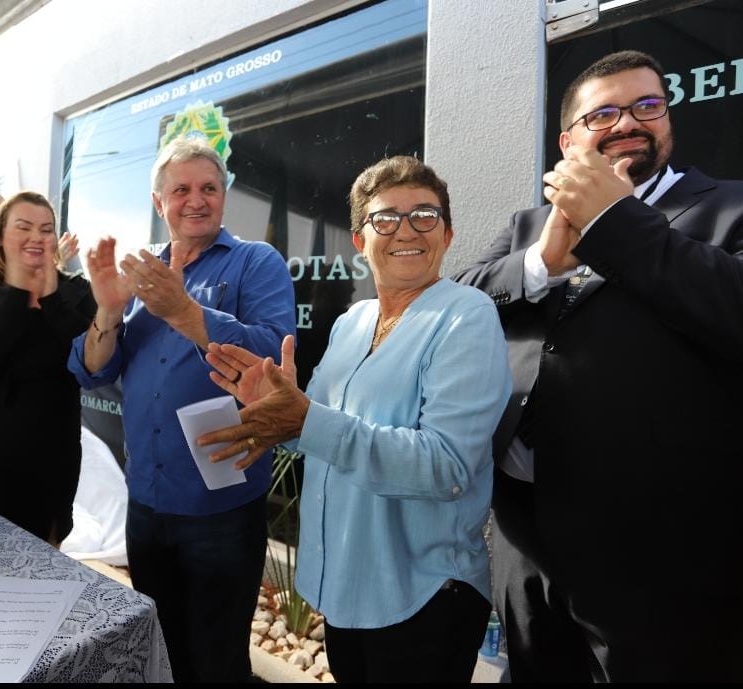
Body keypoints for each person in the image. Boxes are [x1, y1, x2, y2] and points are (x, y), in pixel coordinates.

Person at [453, 50, 743, 682]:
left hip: (657, 547)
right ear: (568, 141)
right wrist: (538, 264)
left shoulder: (730, 207)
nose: (628, 123)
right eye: (604, 113)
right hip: (524, 533)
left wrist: (615, 219)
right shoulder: (529, 222)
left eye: (648, 106)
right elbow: (462, 301)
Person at [197, 156, 512, 683]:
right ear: (360, 241)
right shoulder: (353, 320)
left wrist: (302, 421)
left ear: (448, 234)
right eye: (385, 218)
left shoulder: (467, 315)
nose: (406, 230)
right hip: (347, 591)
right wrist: (274, 408)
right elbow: (314, 436)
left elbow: (446, 466)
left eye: (424, 216)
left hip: (422, 598)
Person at [68, 137, 295, 682]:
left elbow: (271, 353)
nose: (196, 200)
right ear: (158, 202)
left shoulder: (254, 262)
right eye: (182, 190)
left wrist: (186, 311)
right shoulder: (140, 276)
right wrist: (107, 310)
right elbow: (92, 369)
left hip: (220, 505)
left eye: (209, 188)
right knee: (161, 646)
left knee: (216, 658)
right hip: (146, 501)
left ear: (223, 197)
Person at [0, 191, 95, 545]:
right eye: (23, 227)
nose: (36, 237)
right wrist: (16, 292)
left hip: (51, 460)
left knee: (43, 571)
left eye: (46, 229)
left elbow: (87, 364)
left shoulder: (76, 291)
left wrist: (50, 297)